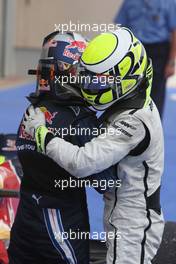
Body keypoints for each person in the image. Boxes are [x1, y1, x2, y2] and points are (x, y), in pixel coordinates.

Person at [24, 27, 165, 264]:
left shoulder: (135, 122)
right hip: (122, 210)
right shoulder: (131, 99)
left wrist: (42, 135)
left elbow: (83, 163)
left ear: (125, 76)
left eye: (100, 81)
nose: (92, 87)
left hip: (134, 221)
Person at [8, 31, 117, 264]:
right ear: (65, 74)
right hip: (60, 224)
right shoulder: (79, 120)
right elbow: (107, 182)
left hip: (26, 216)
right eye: (81, 72)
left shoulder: (32, 111)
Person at [114, 0, 176, 118]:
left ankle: (154, 127)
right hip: (135, 50)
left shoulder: (168, 2)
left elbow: (174, 32)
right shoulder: (129, 2)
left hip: (159, 51)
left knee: (156, 94)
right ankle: (127, 124)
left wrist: (172, 62)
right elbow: (121, 29)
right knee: (130, 90)